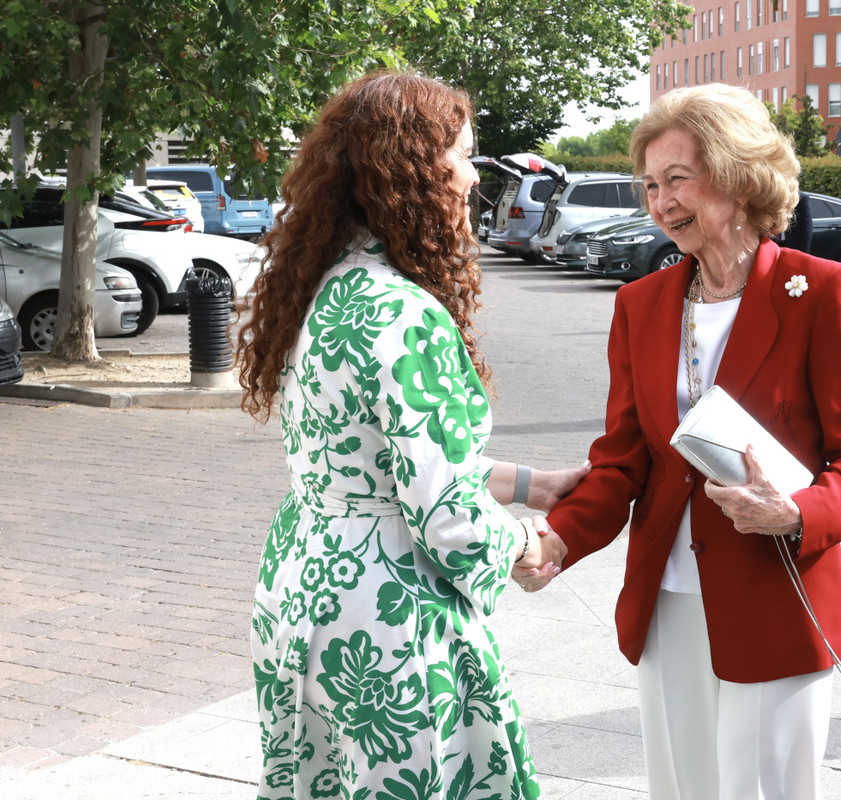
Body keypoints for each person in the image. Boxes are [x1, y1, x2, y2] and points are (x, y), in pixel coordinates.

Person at [515, 84, 841, 800]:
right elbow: (624, 461)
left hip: (774, 591)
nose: (660, 202)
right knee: (685, 789)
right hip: (669, 593)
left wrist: (799, 513)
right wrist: (559, 539)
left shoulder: (824, 292)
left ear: (740, 176)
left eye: (678, 180)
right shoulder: (641, 305)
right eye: (650, 186)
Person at [236, 70, 587, 800]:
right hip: (387, 619)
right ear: (415, 173)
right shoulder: (404, 313)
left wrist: (535, 485)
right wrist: (526, 544)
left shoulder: (322, 291)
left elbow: (380, 461)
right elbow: (446, 516)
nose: (471, 179)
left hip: (305, 587)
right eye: (462, 157)